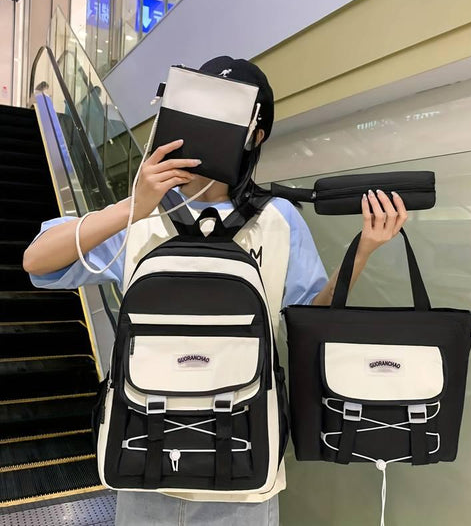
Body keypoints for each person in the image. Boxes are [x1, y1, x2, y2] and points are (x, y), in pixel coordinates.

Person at [22, 56, 408, 526]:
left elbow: (310, 321)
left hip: (244, 466)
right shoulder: (142, 215)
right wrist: (134, 206)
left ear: (255, 134)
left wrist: (361, 253)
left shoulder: (278, 218)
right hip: (144, 458)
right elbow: (37, 261)